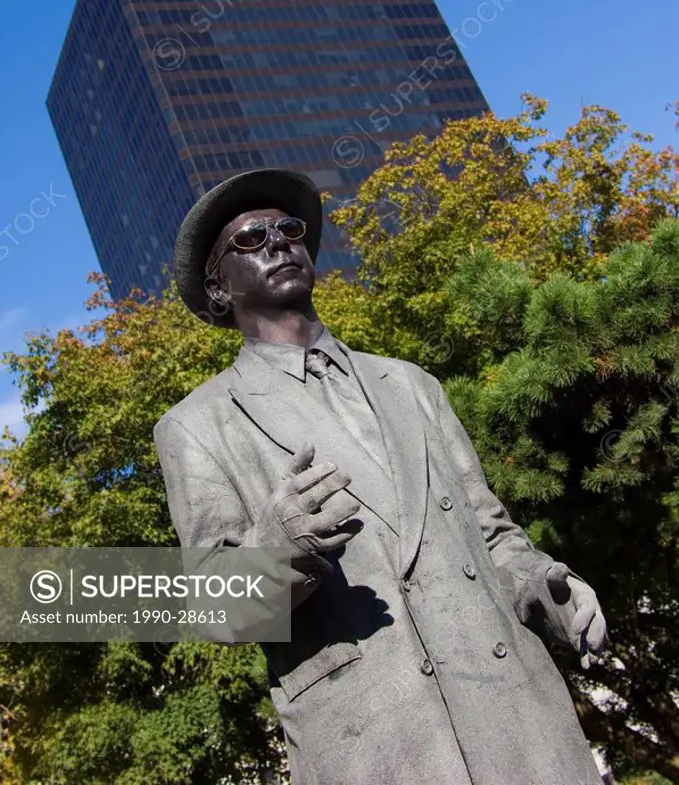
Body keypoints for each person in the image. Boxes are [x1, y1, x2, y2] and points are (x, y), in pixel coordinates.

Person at [154, 166, 608, 785]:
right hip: (376, 738)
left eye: (288, 230)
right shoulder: (197, 425)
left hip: (517, 716)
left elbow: (493, 535)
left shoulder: (413, 383)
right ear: (217, 288)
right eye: (251, 239)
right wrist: (277, 553)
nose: (279, 242)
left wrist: (548, 587)